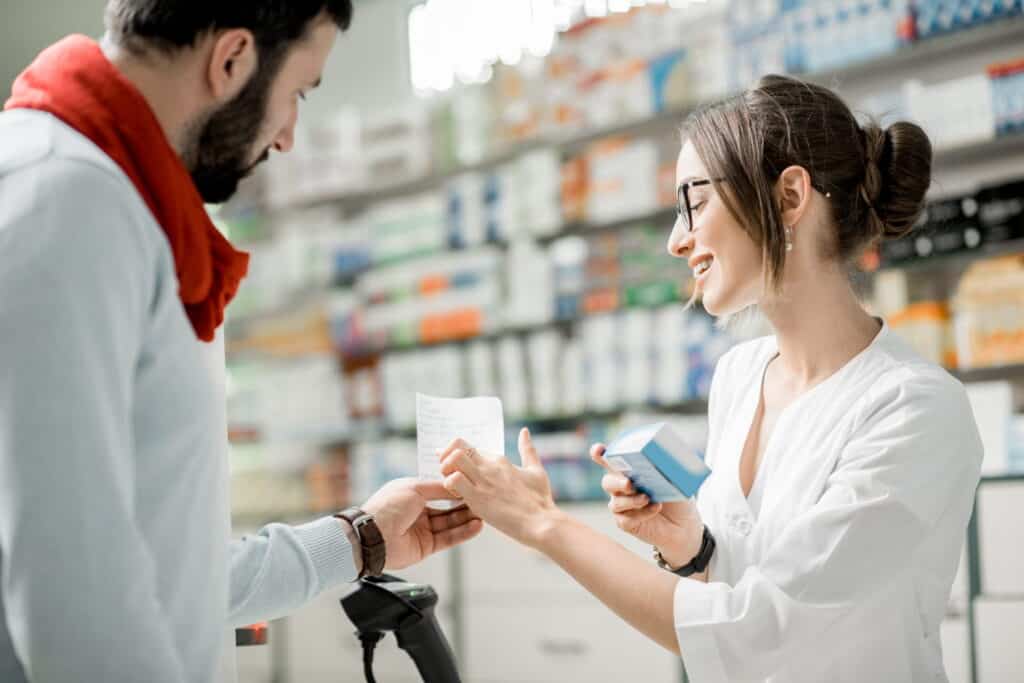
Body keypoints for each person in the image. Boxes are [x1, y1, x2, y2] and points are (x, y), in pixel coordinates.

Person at [440, 74, 983, 683]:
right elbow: (747, 584)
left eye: (694, 202)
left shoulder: (913, 408)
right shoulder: (740, 375)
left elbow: (761, 630)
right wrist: (692, 548)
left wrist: (546, 525)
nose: (678, 240)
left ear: (789, 196)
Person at [0, 2, 480, 682]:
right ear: (232, 60)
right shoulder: (65, 205)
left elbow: (167, 569)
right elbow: (74, 610)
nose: (287, 136)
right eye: (297, 93)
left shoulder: (123, 206)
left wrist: (360, 538)